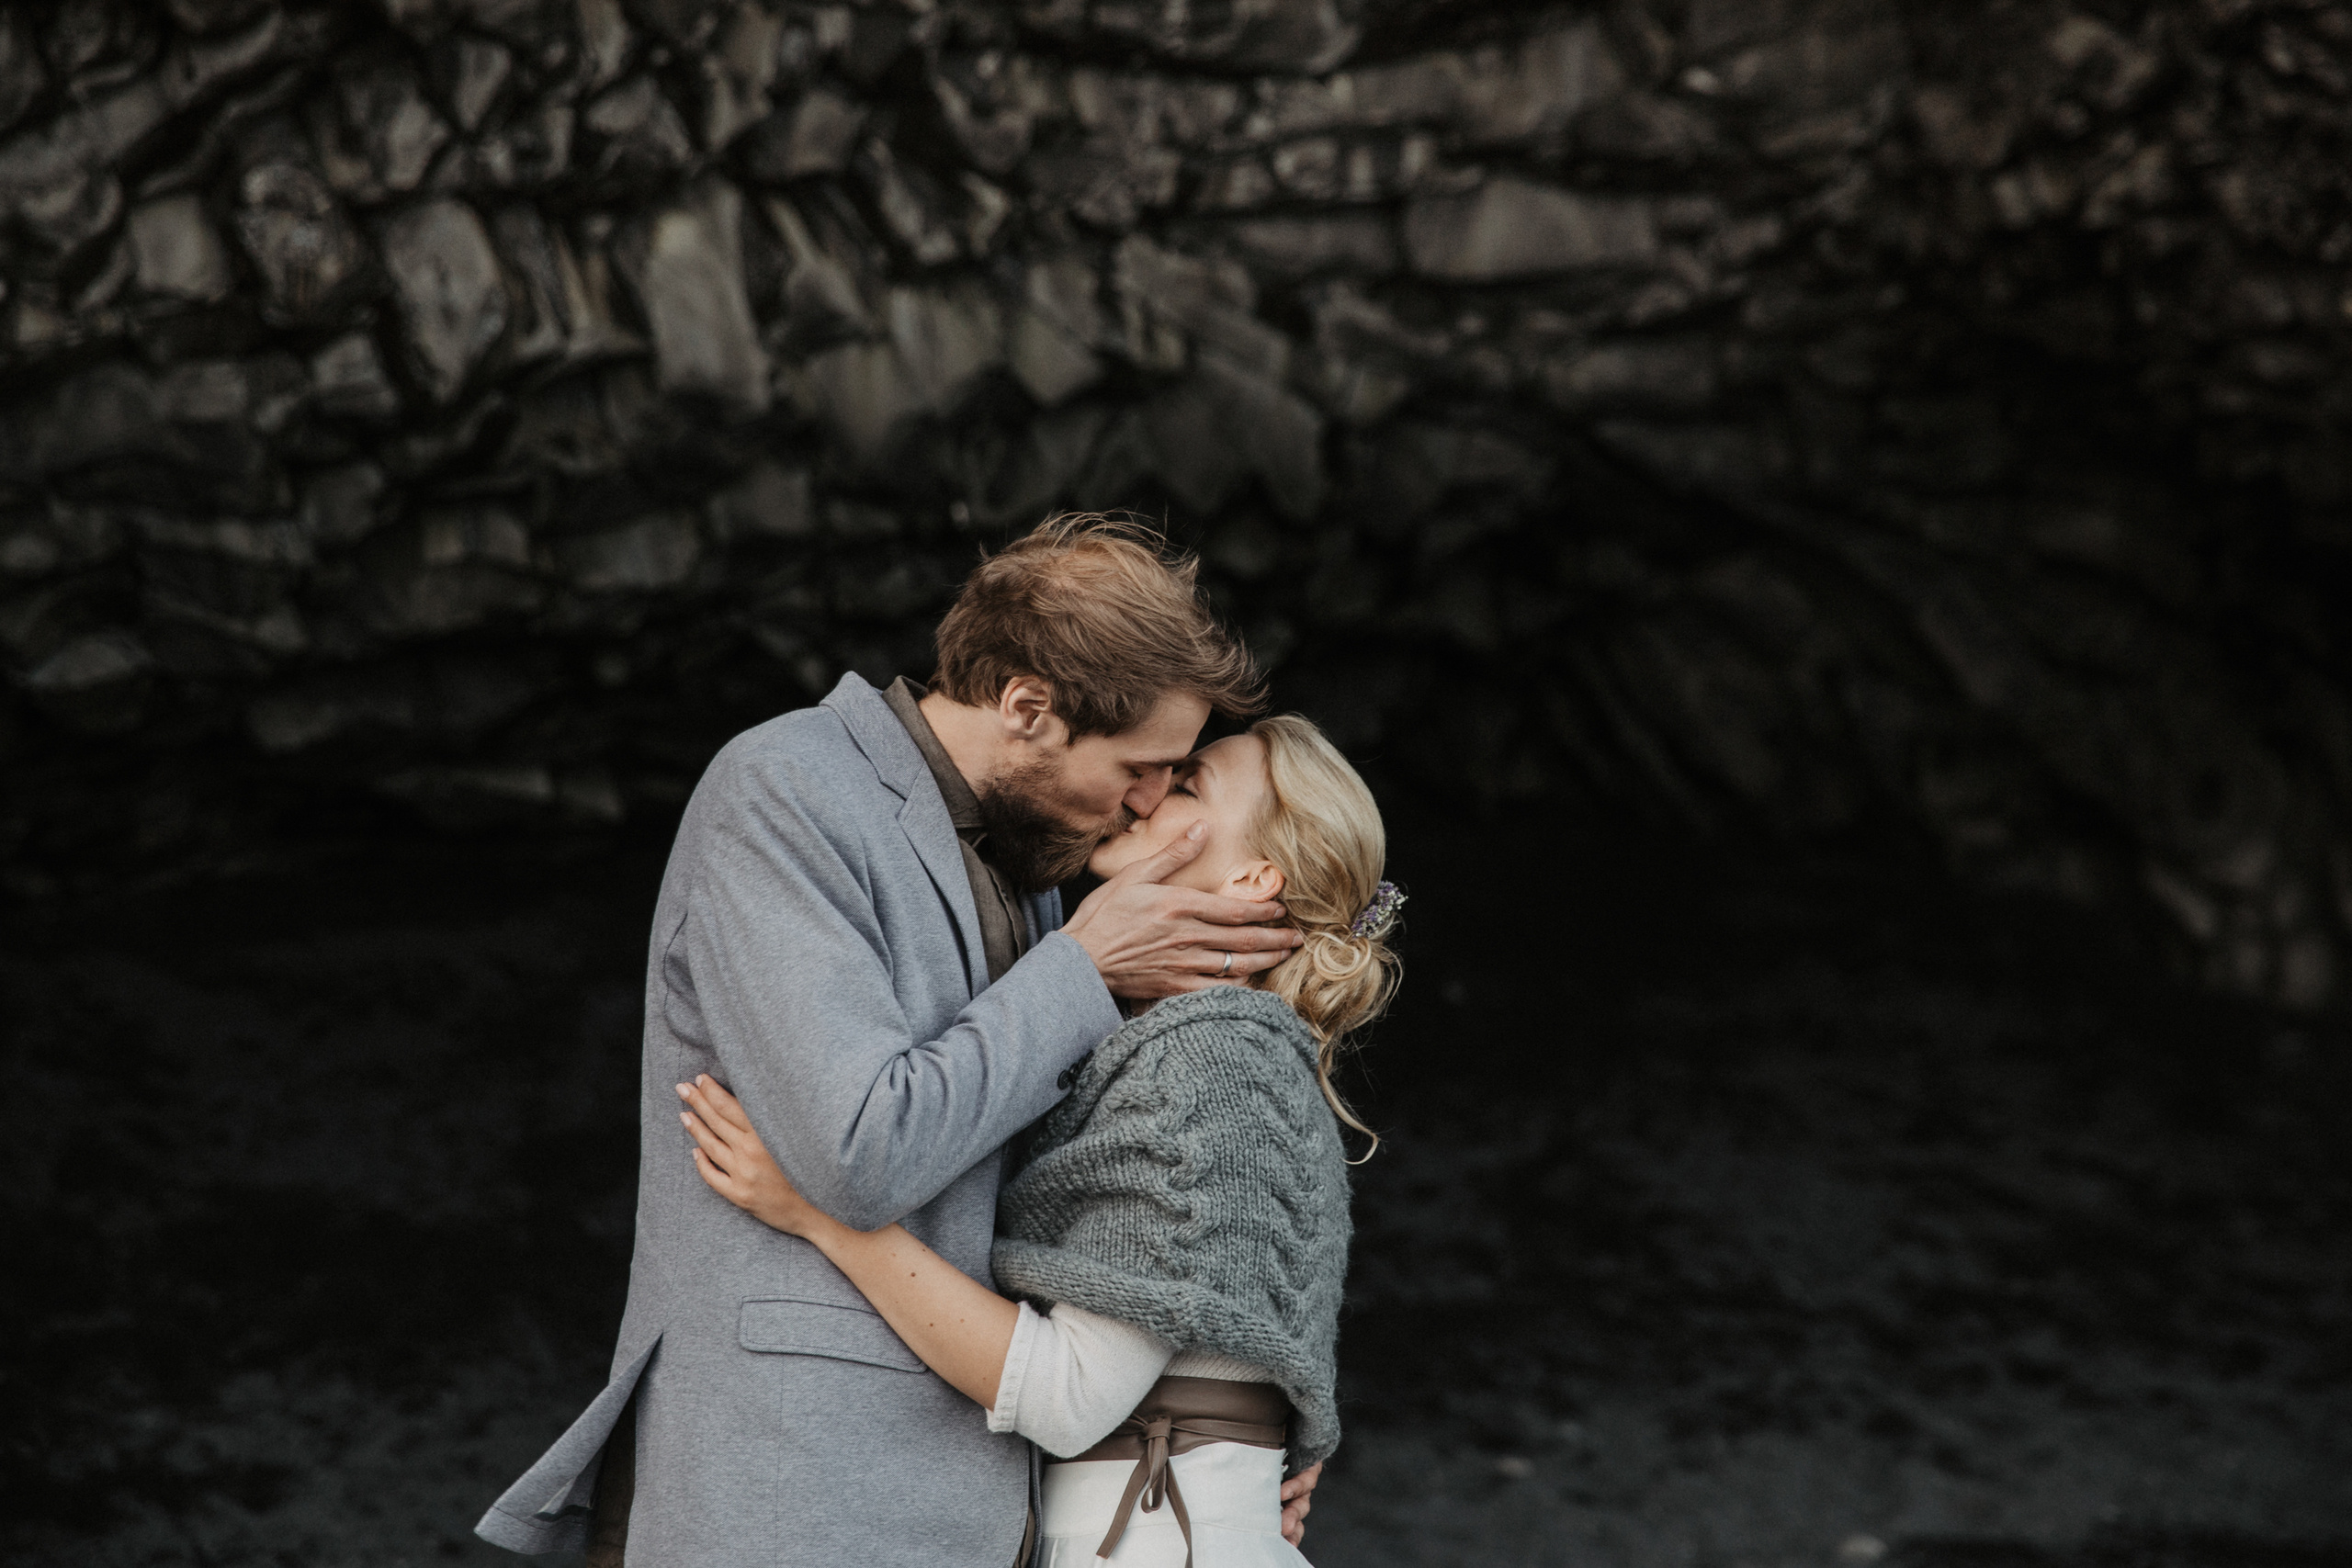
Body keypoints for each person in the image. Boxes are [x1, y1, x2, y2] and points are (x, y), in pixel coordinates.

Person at [476, 517, 1311, 1568]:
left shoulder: (1048, 869)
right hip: (795, 1486)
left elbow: (1111, 1203)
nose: (1146, 802)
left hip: (991, 1499)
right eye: (1140, 768)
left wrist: (1236, 1429)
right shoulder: (783, 789)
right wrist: (1084, 971)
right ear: (1026, 705)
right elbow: (858, 1153)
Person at [675, 714, 1404, 1565]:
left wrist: (822, 1216)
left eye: (1191, 782)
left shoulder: (1211, 1056)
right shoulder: (1214, 1049)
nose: (1151, 792)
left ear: (1253, 877)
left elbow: (1069, 1396)